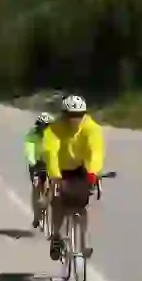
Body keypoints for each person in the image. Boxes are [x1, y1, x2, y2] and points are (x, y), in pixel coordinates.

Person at [41, 94, 104, 261]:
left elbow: (95, 151)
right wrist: (54, 176)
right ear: (64, 115)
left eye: (79, 115)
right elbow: (50, 153)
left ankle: (82, 245)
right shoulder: (54, 129)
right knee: (58, 200)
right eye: (71, 115)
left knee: (81, 204)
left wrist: (92, 173)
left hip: (80, 168)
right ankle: (56, 237)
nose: (75, 119)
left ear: (84, 114)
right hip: (60, 169)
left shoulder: (91, 128)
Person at [24, 112, 55, 228]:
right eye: (43, 125)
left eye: (48, 125)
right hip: (36, 164)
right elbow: (28, 149)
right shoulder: (32, 134)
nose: (45, 128)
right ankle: (36, 216)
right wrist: (33, 162)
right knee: (36, 186)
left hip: (51, 163)